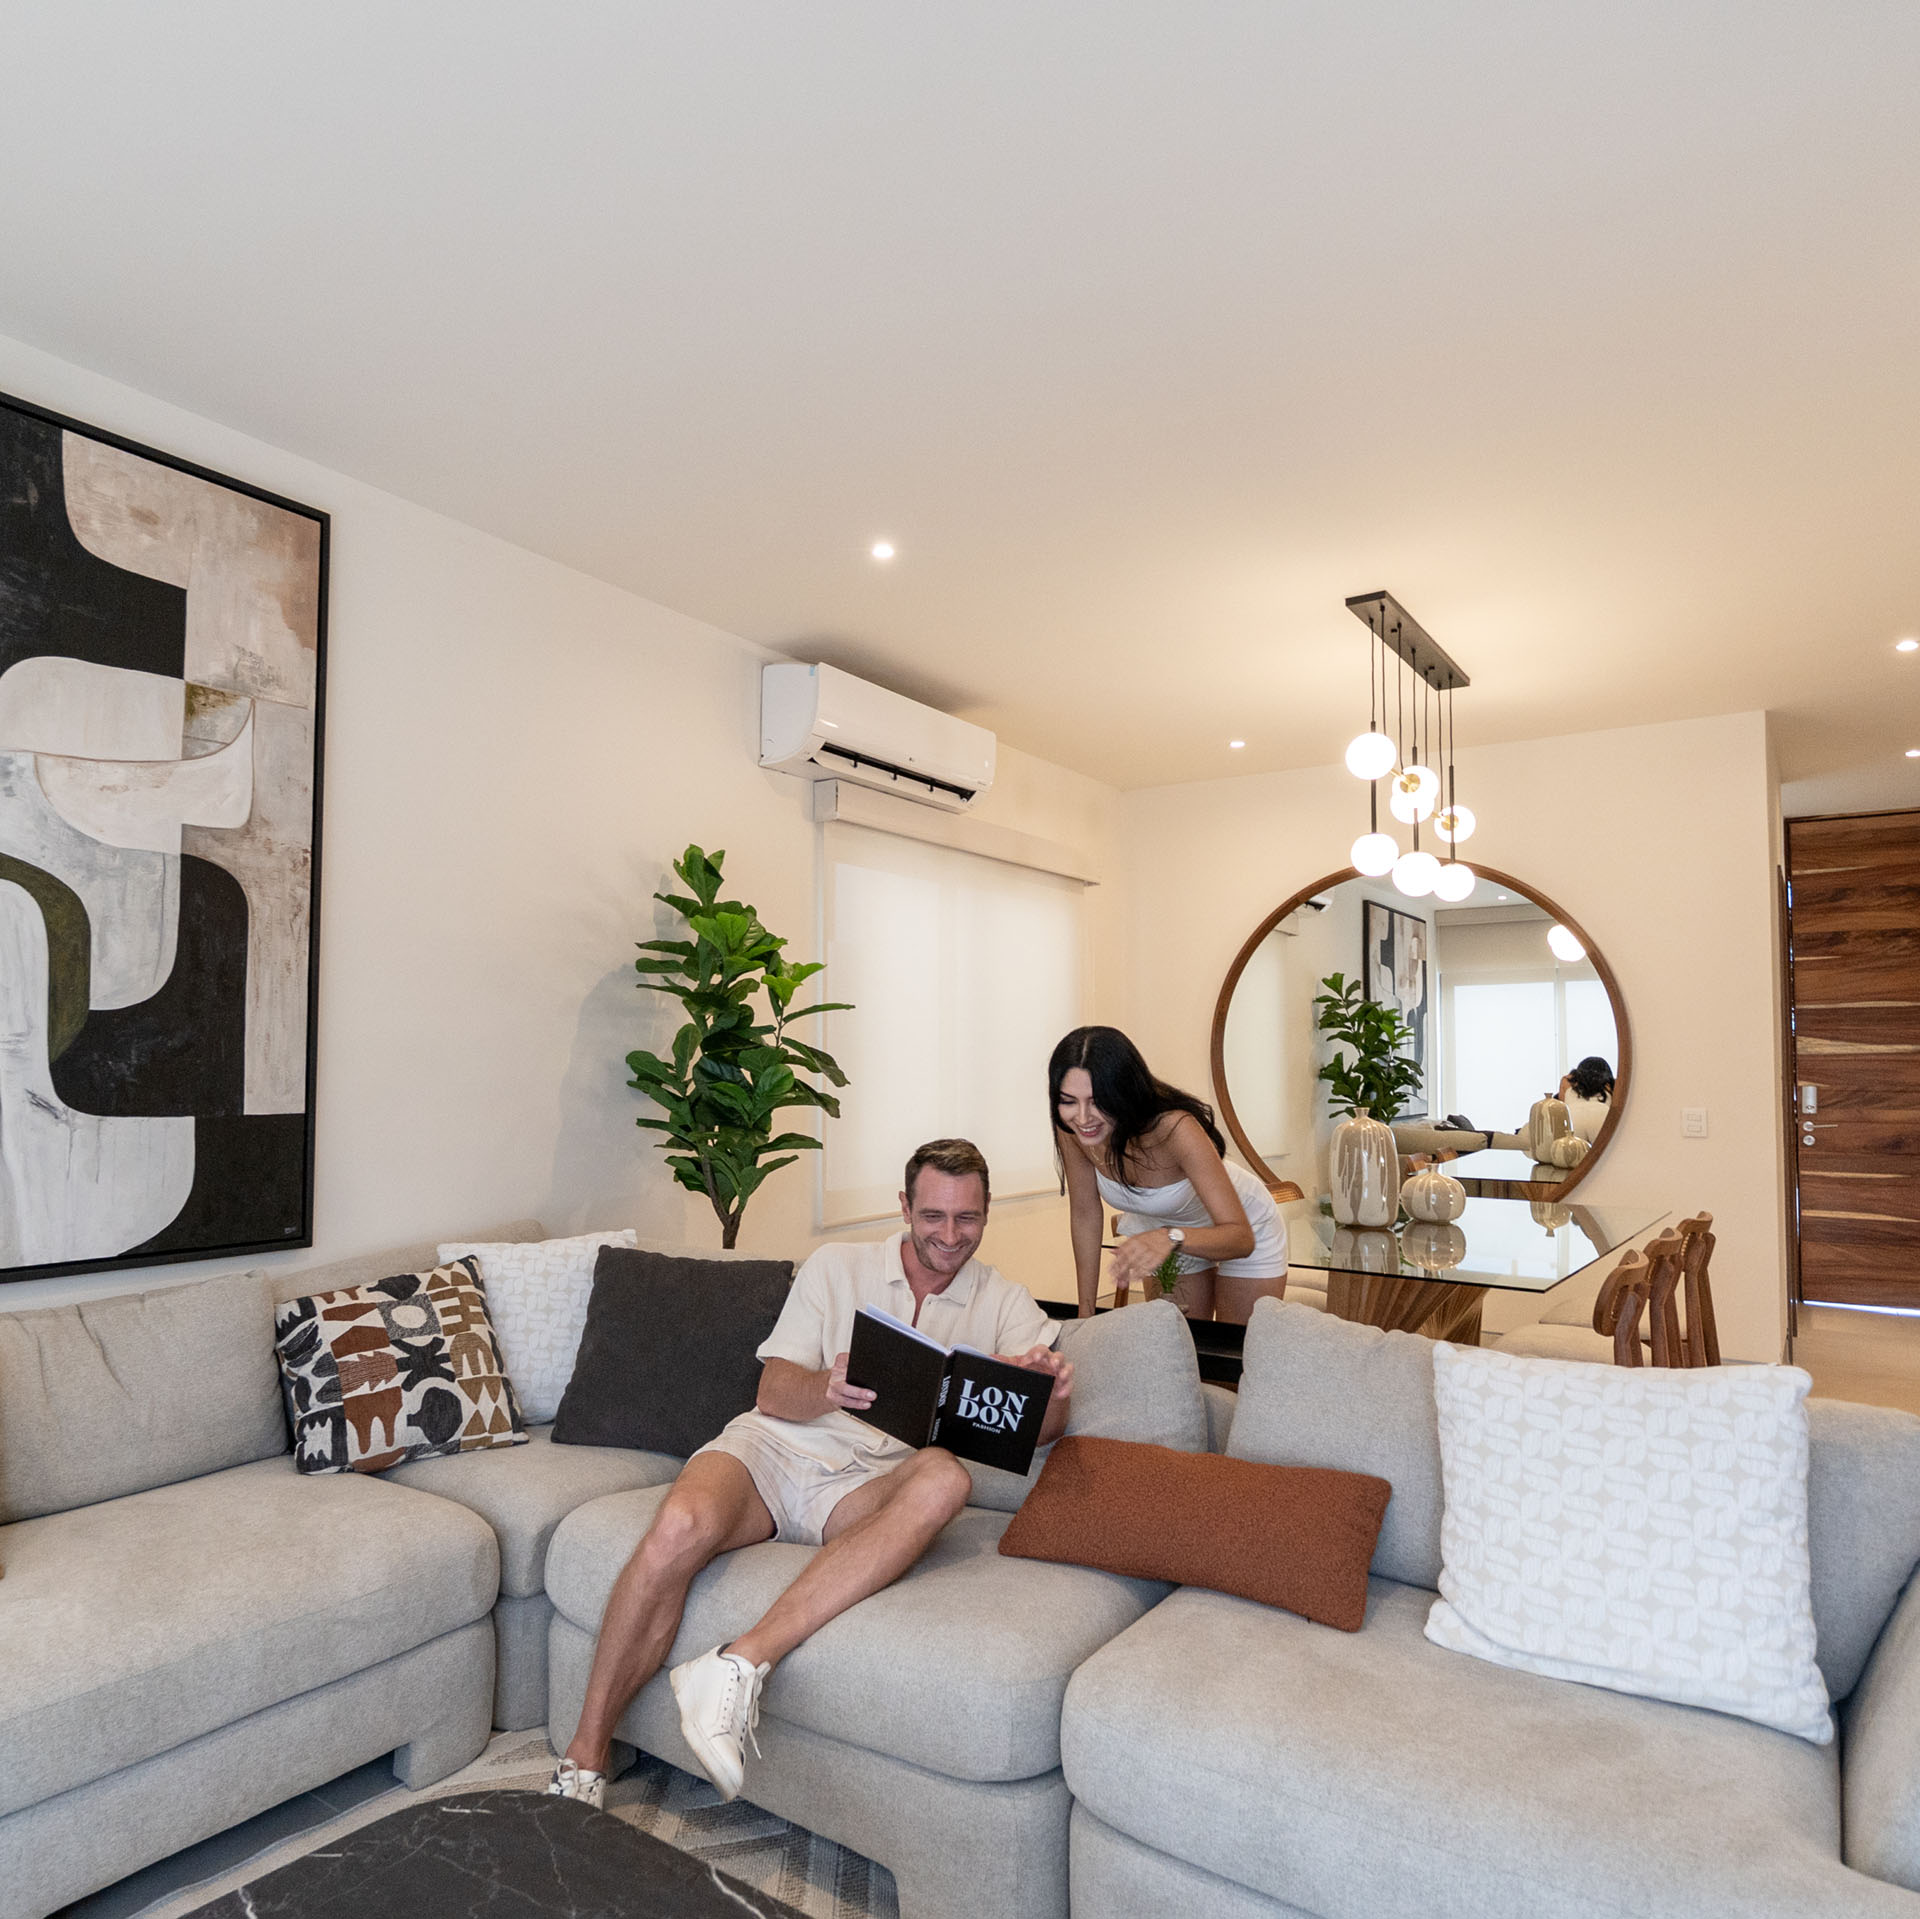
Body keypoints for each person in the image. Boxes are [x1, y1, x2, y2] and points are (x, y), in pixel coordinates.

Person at [548, 1138, 1073, 1810]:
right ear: (905, 1206)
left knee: (946, 1478)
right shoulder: (837, 1266)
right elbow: (772, 1391)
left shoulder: (1003, 1300)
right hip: (775, 1450)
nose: (949, 1235)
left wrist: (1050, 1394)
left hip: (862, 1489)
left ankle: (739, 1662)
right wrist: (826, 1386)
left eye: (967, 1217)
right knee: (678, 1526)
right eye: (934, 1216)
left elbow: (1040, 1432)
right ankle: (585, 1759)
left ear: (986, 1211)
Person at [1050, 1026, 1287, 1323]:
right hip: (1165, 1235)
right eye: (1068, 1101)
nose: (1083, 1117)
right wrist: (1085, 1314)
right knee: (1176, 1342)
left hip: (1241, 1225)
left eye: (1097, 1101)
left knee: (1233, 1345)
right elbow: (1085, 1213)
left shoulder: (1175, 1128)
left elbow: (1241, 1238)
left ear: (1123, 1093)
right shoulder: (1072, 1130)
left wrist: (1170, 1236)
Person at [1556, 1056, 1616, 1143]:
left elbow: (1561, 1105)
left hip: (1571, 1118)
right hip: (1601, 1115)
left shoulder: (1568, 1088)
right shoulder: (1609, 1088)